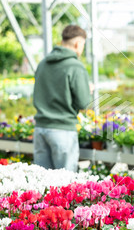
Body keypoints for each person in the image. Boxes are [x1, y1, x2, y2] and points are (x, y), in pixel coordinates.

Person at [33, 25, 92, 172]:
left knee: (42, 185)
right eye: (83, 45)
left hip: (40, 129)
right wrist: (88, 90)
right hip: (62, 130)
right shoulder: (75, 66)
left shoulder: (43, 64)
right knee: (66, 185)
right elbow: (84, 102)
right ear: (78, 43)